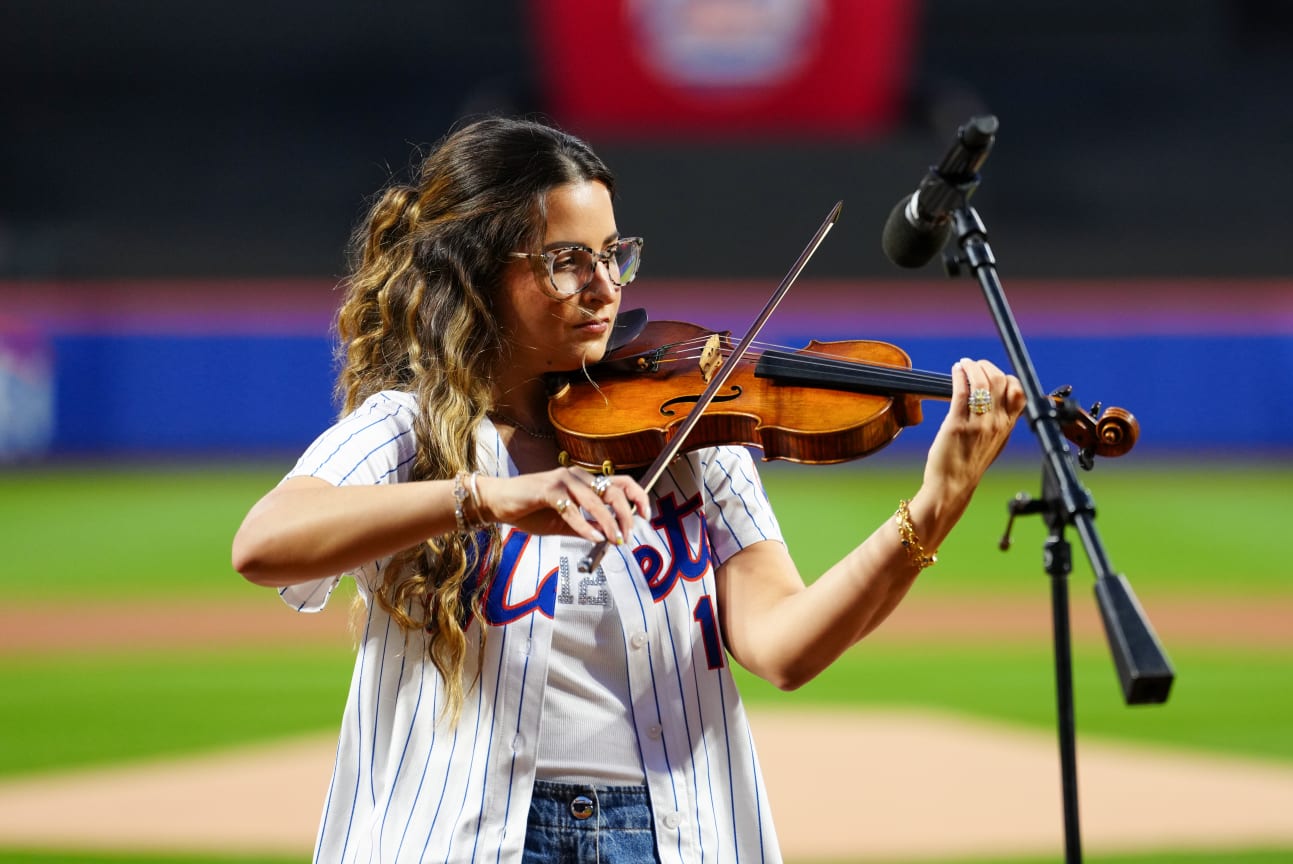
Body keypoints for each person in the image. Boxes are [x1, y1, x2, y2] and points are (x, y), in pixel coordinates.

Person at [232, 115, 1024, 864]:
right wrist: (487, 497)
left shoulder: (692, 433)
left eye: (614, 254)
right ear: (477, 273)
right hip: (464, 836)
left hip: (671, 833)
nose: (605, 286)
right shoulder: (409, 429)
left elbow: (785, 647)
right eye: (566, 261)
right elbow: (265, 543)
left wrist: (932, 508)